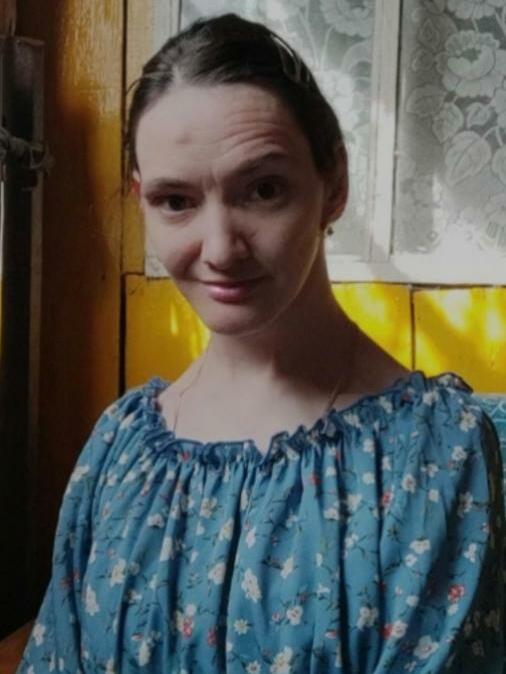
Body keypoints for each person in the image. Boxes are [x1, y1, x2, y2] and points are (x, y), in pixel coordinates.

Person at [16, 13, 504, 674]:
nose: (220, 248)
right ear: (141, 199)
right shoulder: (119, 449)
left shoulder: (438, 452)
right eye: (175, 201)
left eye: (264, 190)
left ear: (334, 184)